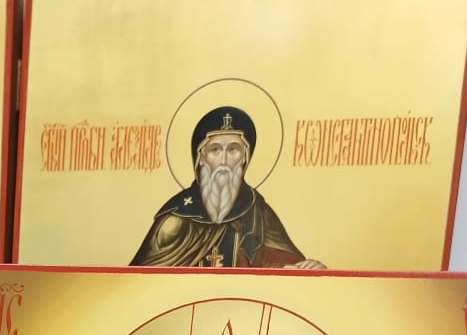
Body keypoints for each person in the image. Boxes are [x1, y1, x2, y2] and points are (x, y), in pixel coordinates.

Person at [130, 106, 323, 270]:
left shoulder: (257, 212)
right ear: (200, 158)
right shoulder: (177, 218)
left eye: (233, 149)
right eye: (215, 149)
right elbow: (140, 279)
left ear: (245, 157)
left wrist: (306, 269)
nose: (223, 160)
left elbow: (282, 265)